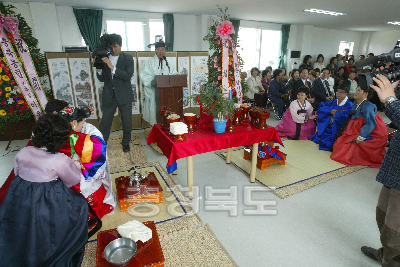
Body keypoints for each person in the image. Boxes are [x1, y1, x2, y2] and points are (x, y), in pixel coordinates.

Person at [0, 114, 88, 266]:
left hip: (19, 201)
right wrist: (74, 162)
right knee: (80, 206)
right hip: (48, 203)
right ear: (60, 139)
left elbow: (17, 174)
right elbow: (72, 180)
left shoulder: (22, 152)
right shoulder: (60, 159)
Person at [360, 74, 400, 266]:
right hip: (396, 165)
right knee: (382, 214)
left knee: (395, 227)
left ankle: (391, 261)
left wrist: (391, 100)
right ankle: (386, 254)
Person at [59, 107, 116, 220]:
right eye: (83, 122)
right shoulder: (75, 138)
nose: (83, 126)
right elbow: (97, 150)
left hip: (58, 176)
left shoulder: (55, 133)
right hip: (74, 178)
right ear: (74, 123)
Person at [330, 75, 387, 168]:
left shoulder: (368, 106)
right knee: (339, 143)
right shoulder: (356, 103)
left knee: (345, 148)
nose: (356, 92)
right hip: (356, 130)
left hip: (371, 134)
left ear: (366, 94)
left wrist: (361, 137)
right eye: (356, 89)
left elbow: (370, 123)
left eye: (359, 90)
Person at [96, 33, 134, 153]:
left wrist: (112, 67)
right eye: (111, 47)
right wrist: (99, 69)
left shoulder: (128, 58)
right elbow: (102, 79)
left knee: (127, 122)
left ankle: (126, 143)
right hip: (109, 95)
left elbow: (127, 76)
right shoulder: (104, 58)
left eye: (115, 46)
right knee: (105, 122)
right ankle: (102, 144)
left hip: (124, 95)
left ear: (121, 45)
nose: (113, 50)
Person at [140, 40, 178, 126]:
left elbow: (174, 73)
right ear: (156, 50)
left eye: (163, 49)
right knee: (155, 113)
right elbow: (144, 75)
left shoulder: (169, 62)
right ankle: (156, 129)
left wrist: (168, 79)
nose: (161, 51)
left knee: (168, 111)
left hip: (167, 92)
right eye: (159, 49)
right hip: (155, 92)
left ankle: (167, 127)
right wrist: (154, 81)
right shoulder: (149, 62)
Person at [310, 80, 353, 151]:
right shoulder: (333, 102)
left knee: (332, 143)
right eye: (338, 91)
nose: (338, 93)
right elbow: (321, 107)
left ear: (346, 94)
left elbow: (349, 114)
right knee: (322, 139)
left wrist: (337, 113)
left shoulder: (349, 105)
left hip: (339, 128)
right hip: (328, 126)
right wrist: (330, 110)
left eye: (341, 92)